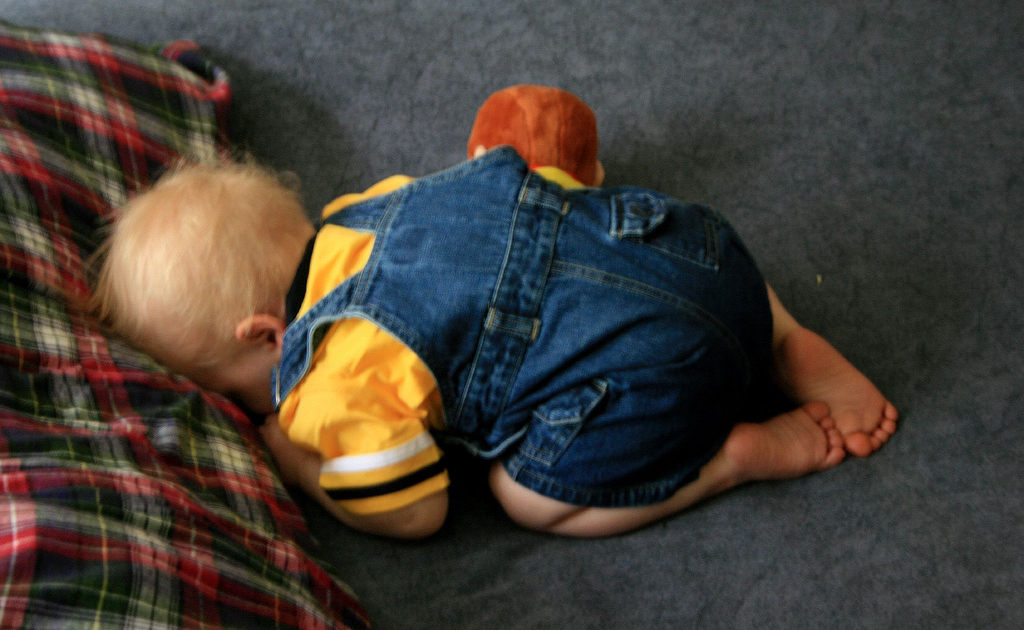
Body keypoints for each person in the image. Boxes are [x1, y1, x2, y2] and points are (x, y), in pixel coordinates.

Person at [90, 93, 896, 540]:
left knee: (524, 495)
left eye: (230, 387)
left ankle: (728, 460)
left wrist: (302, 466)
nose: (241, 405)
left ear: (267, 336)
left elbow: (415, 507)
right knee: (621, 239)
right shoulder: (370, 205)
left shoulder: (326, 385)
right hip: (706, 254)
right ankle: (786, 337)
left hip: (660, 382)